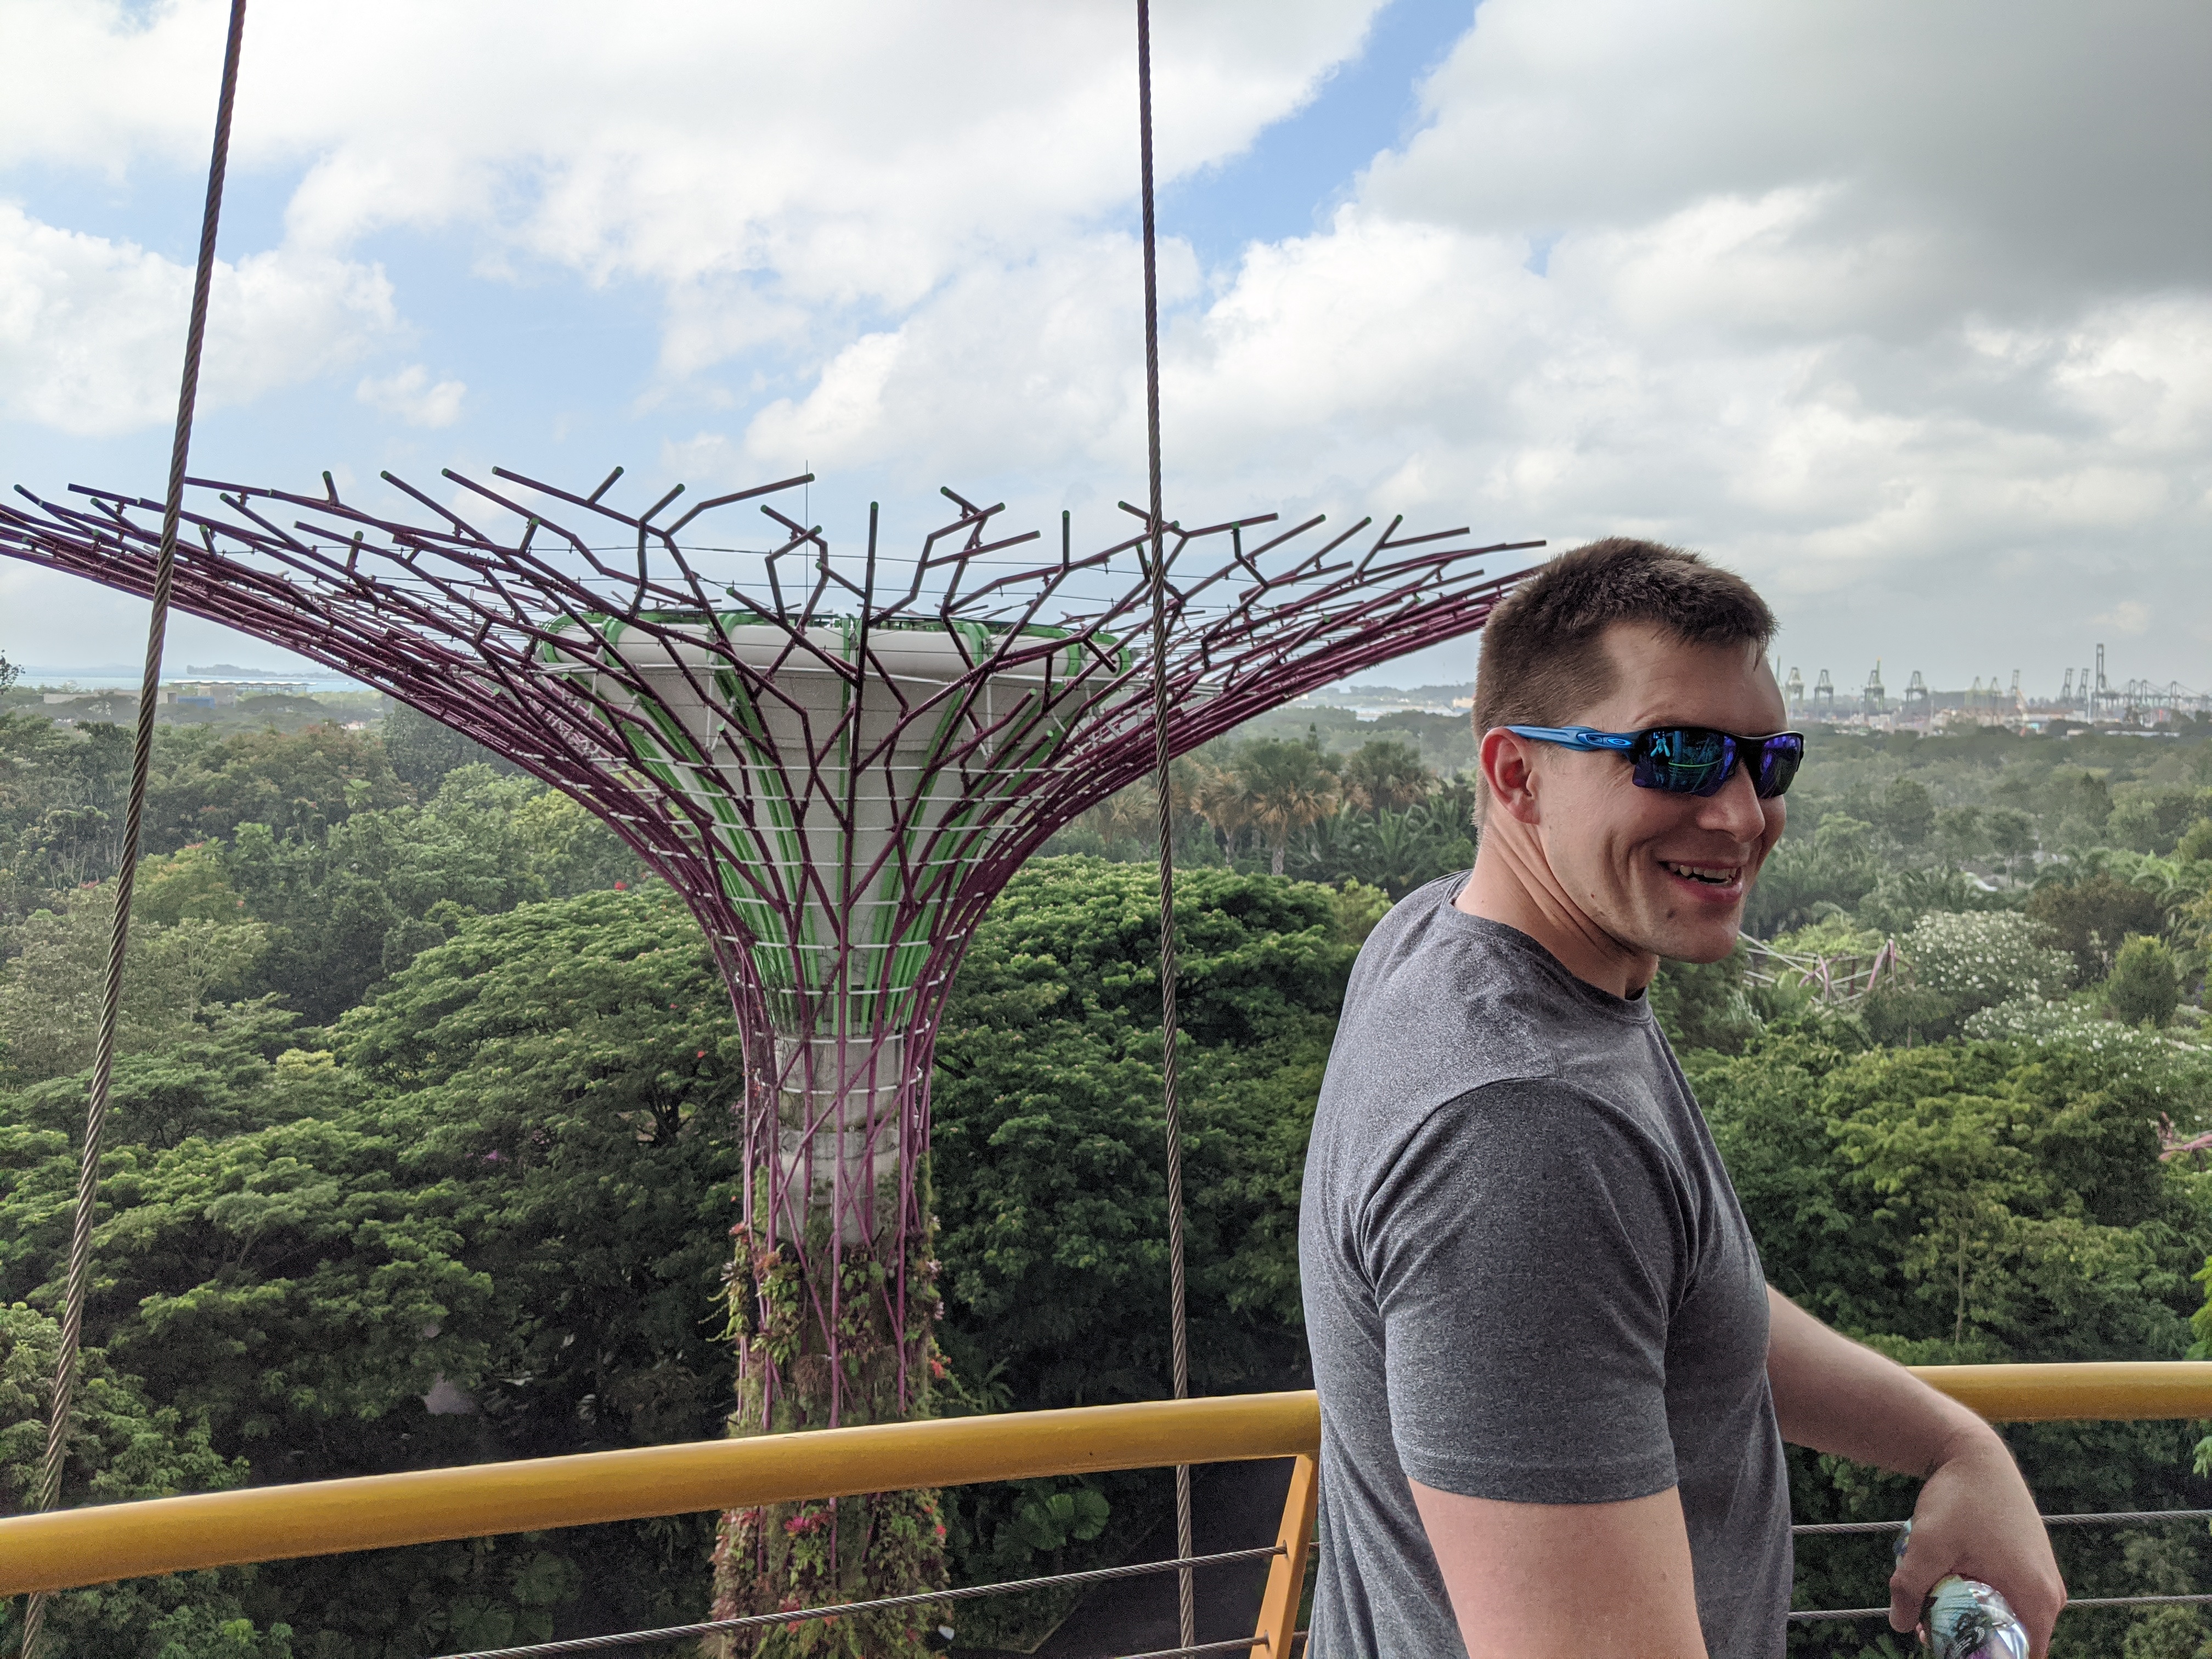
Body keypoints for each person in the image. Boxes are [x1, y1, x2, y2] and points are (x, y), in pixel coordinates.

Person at [1297, 539, 2066, 1658]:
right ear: (1517, 775)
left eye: (1768, 762)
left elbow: (1685, 1302)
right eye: (1679, 756)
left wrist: (1958, 1444)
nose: (1743, 815)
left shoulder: (1441, 934)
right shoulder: (1524, 1129)